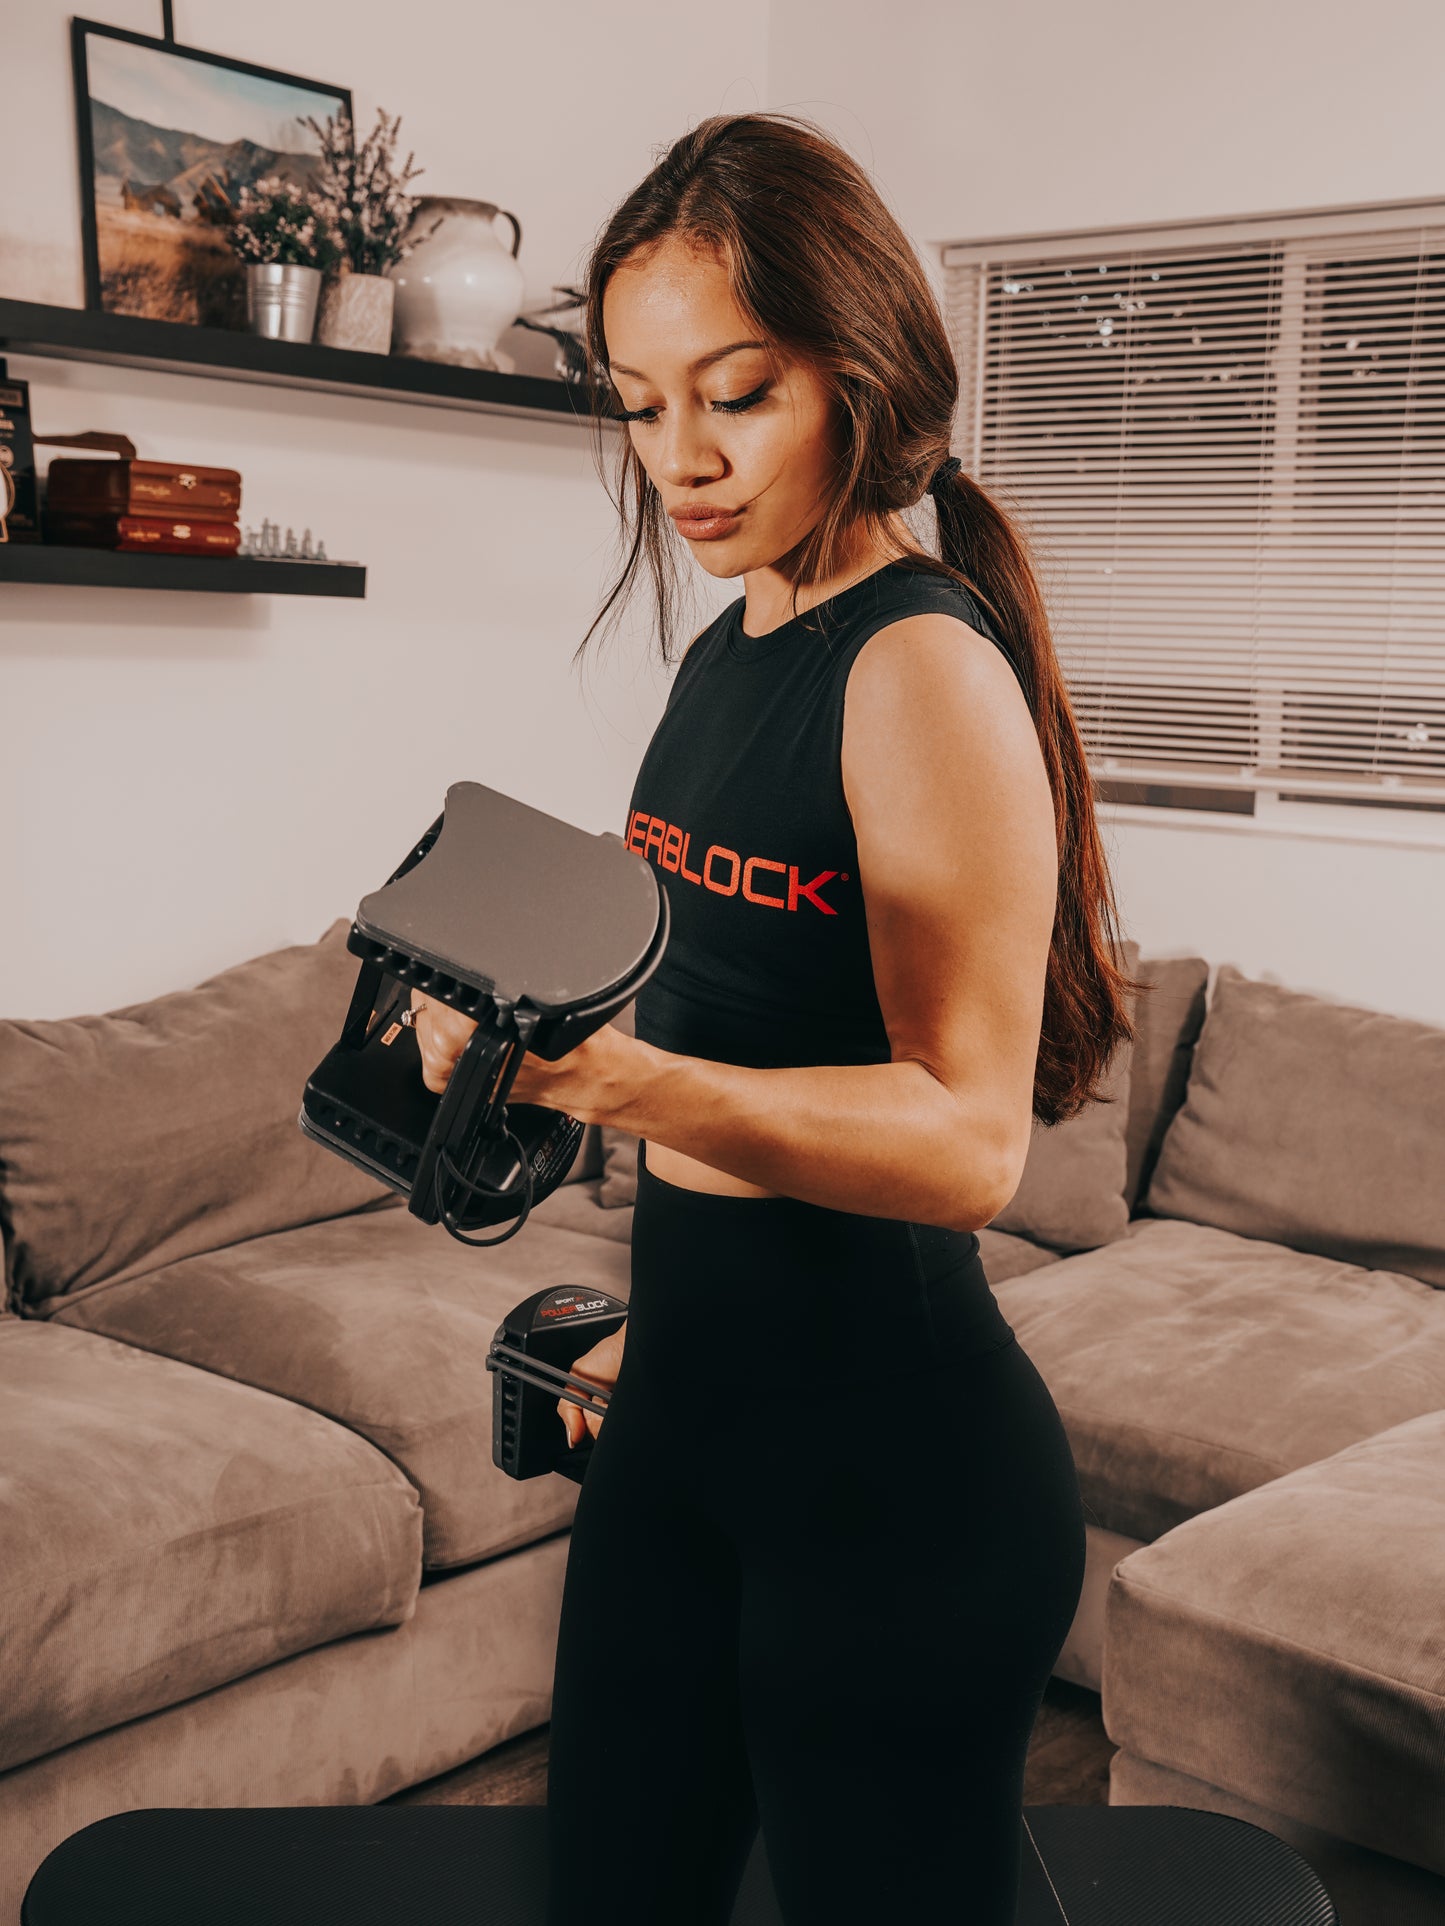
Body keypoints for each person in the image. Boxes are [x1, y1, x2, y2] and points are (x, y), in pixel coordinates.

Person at [408, 111, 1141, 1926]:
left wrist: (639, 1079)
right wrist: (513, 1024)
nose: (683, 459)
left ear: (860, 371)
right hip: (688, 1433)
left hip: (895, 1488)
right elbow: (724, 976)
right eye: (643, 407)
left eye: (734, 393)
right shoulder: (733, 643)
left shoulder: (916, 665)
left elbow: (970, 1142)